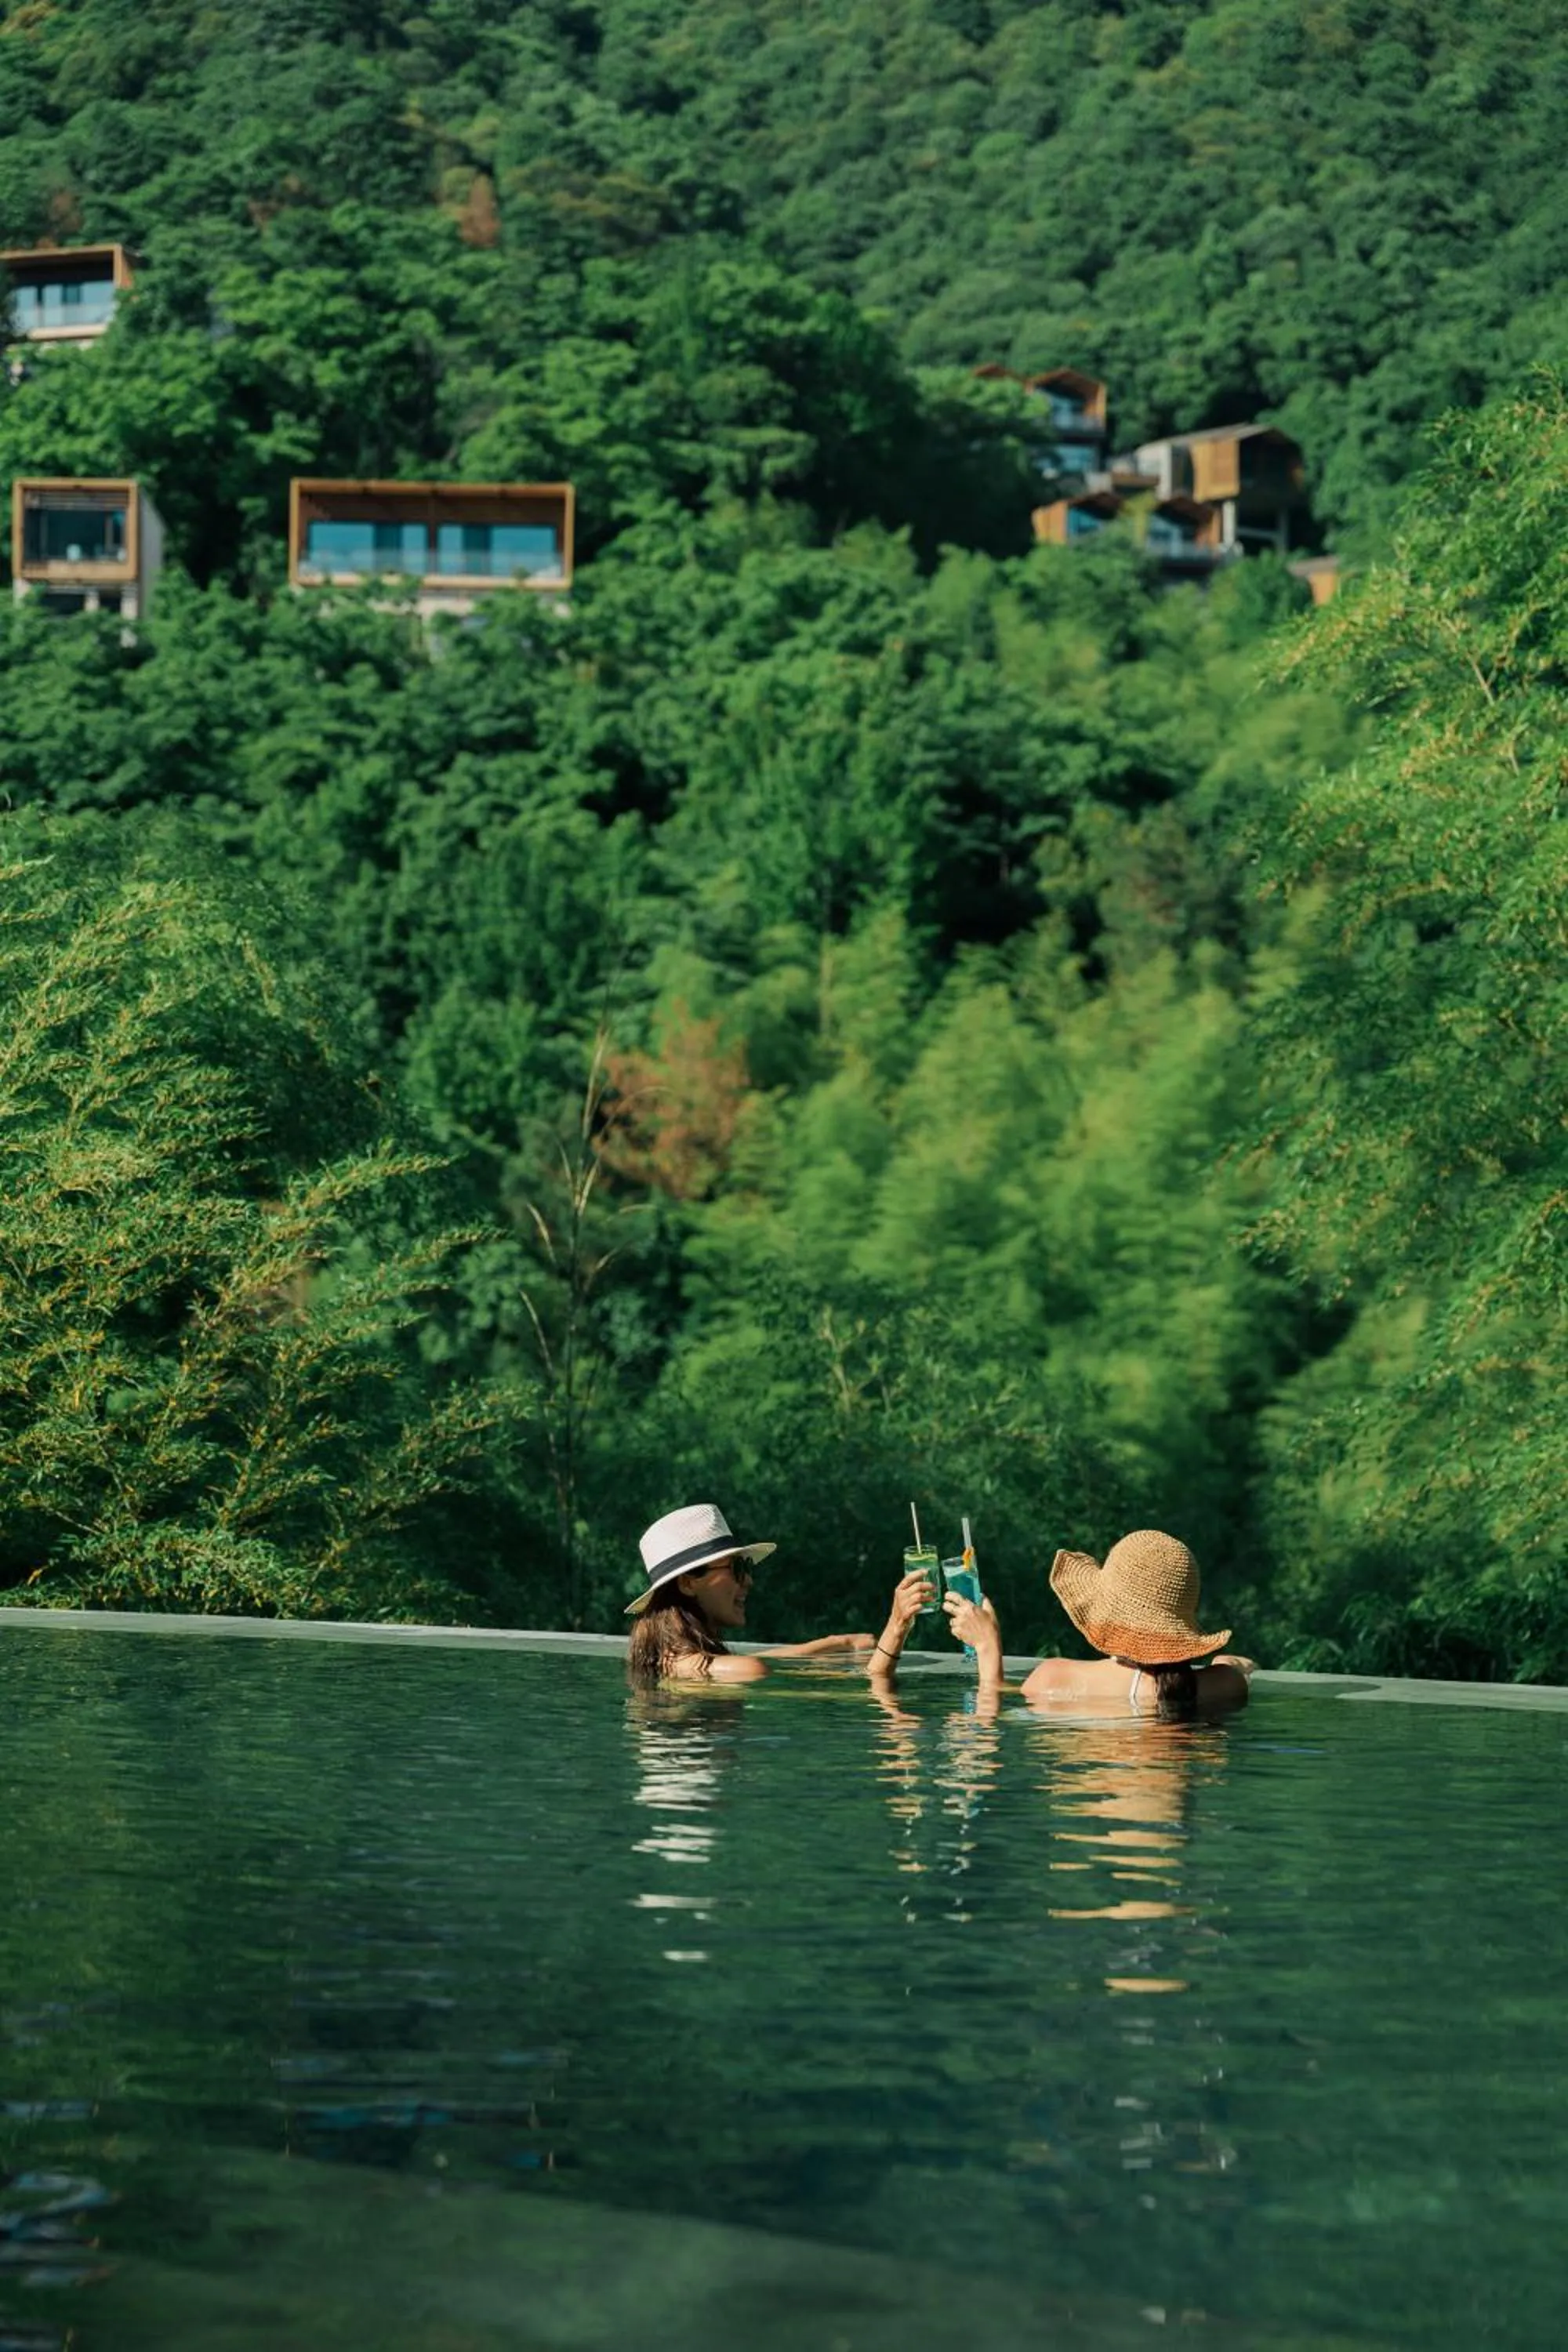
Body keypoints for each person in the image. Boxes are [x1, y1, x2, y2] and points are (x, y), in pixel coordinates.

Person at [941, 1528, 1255, 1720]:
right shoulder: (1224, 1686)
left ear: (1105, 1608)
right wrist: (1226, 1662)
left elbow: (989, 1715)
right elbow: (1238, 1668)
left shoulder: (1054, 1678)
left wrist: (987, 1646)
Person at [627, 1503, 931, 1684]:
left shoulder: (663, 1660)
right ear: (688, 1583)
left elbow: (754, 1658)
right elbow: (870, 1689)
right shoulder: (740, 1671)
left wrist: (837, 1643)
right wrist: (897, 1625)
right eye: (736, 1569)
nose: (748, 1581)